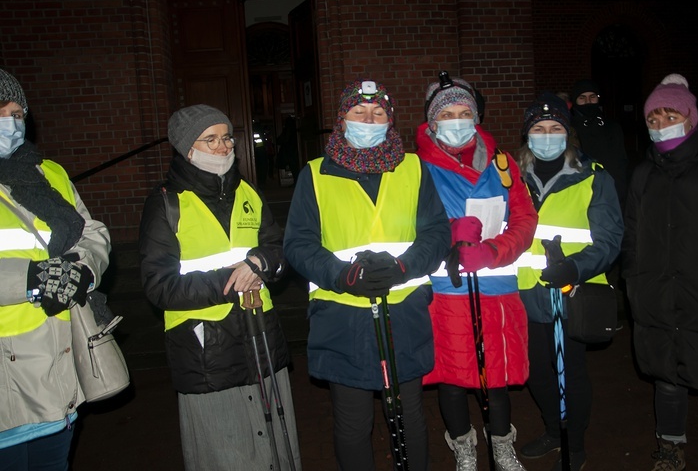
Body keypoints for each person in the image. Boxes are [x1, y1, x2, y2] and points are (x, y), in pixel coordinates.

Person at [283, 79, 451, 471]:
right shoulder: (315, 175)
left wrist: (403, 266)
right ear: (342, 120)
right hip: (343, 316)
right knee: (353, 421)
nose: (368, 119)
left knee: (409, 414)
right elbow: (299, 244)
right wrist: (344, 276)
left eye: (378, 114)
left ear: (389, 121)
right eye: (359, 112)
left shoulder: (413, 169)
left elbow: (436, 232)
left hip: (404, 311)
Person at [138, 104, 301, 471]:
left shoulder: (248, 192)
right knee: (226, 453)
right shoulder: (166, 203)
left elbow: (280, 249)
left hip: (260, 336)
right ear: (186, 147)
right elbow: (159, 286)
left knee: (278, 449)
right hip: (205, 349)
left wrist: (261, 262)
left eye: (226, 137)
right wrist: (232, 281)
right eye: (209, 140)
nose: (224, 147)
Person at [415, 72, 538, 471]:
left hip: (497, 287)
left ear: (476, 117)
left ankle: (502, 446)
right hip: (446, 290)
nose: (457, 120)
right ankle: (464, 446)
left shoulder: (502, 164)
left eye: (464, 112)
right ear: (432, 122)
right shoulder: (415, 169)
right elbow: (406, 225)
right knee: (452, 375)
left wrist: (493, 250)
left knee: (496, 377)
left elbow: (524, 219)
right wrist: (446, 238)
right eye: (447, 113)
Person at [0, 68, 112, 469]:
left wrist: (83, 269)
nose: (11, 122)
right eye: (1, 111)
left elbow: (92, 231)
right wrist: (31, 279)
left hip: (58, 361)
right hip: (7, 373)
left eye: (18, 113)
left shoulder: (49, 172)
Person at [622, 74, 698, 471]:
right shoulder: (644, 174)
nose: (660, 125)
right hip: (657, 296)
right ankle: (671, 448)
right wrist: (634, 283)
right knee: (667, 380)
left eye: (669, 116)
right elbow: (631, 235)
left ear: (690, 117)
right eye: (653, 119)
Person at [516, 92, 623, 471]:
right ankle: (552, 428)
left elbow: (610, 238)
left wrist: (575, 267)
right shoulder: (511, 176)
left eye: (556, 128)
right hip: (523, 292)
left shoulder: (594, 177)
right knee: (536, 372)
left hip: (571, 292)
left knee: (570, 372)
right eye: (539, 129)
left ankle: (573, 441)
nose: (547, 135)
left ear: (568, 134)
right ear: (528, 135)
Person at [569, 79, 628, 210]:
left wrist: (620, 194)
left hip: (610, 193)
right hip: (580, 193)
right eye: (582, 98)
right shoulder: (569, 130)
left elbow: (620, 163)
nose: (588, 102)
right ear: (575, 101)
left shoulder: (612, 127)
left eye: (592, 97)